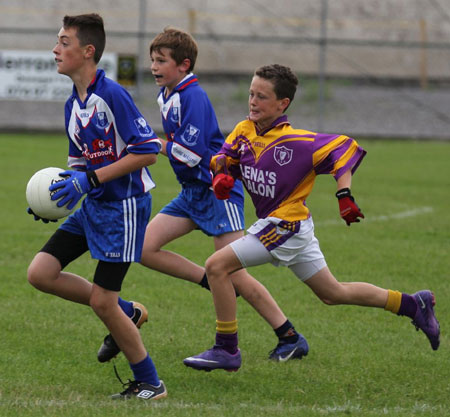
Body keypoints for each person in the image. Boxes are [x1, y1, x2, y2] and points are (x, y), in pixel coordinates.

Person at [183, 64, 441, 372]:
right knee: (333, 293)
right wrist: (222, 175)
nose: (252, 101)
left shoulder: (299, 143)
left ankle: (226, 348)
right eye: (251, 94)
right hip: (286, 228)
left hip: (285, 225)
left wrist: (344, 195)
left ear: (283, 105)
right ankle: (413, 304)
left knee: (216, 266)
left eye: (262, 97)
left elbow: (342, 148)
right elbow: (225, 158)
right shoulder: (244, 130)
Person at [97, 28, 309, 365]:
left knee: (235, 272)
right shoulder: (167, 94)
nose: (154, 66)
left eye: (161, 61)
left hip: (217, 191)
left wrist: (154, 144)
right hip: (192, 193)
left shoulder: (191, 96)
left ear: (183, 65)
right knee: (144, 247)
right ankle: (209, 280)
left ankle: (289, 336)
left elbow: (192, 154)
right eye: (152, 60)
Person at [26, 13, 167, 400]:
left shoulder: (112, 95)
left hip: (124, 207)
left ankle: (150, 383)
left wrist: (89, 180)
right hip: (97, 205)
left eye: (64, 42)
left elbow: (148, 151)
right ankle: (129, 312)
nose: (56, 49)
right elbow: (76, 169)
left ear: (88, 52)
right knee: (41, 272)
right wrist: (53, 200)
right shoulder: (74, 104)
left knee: (101, 302)